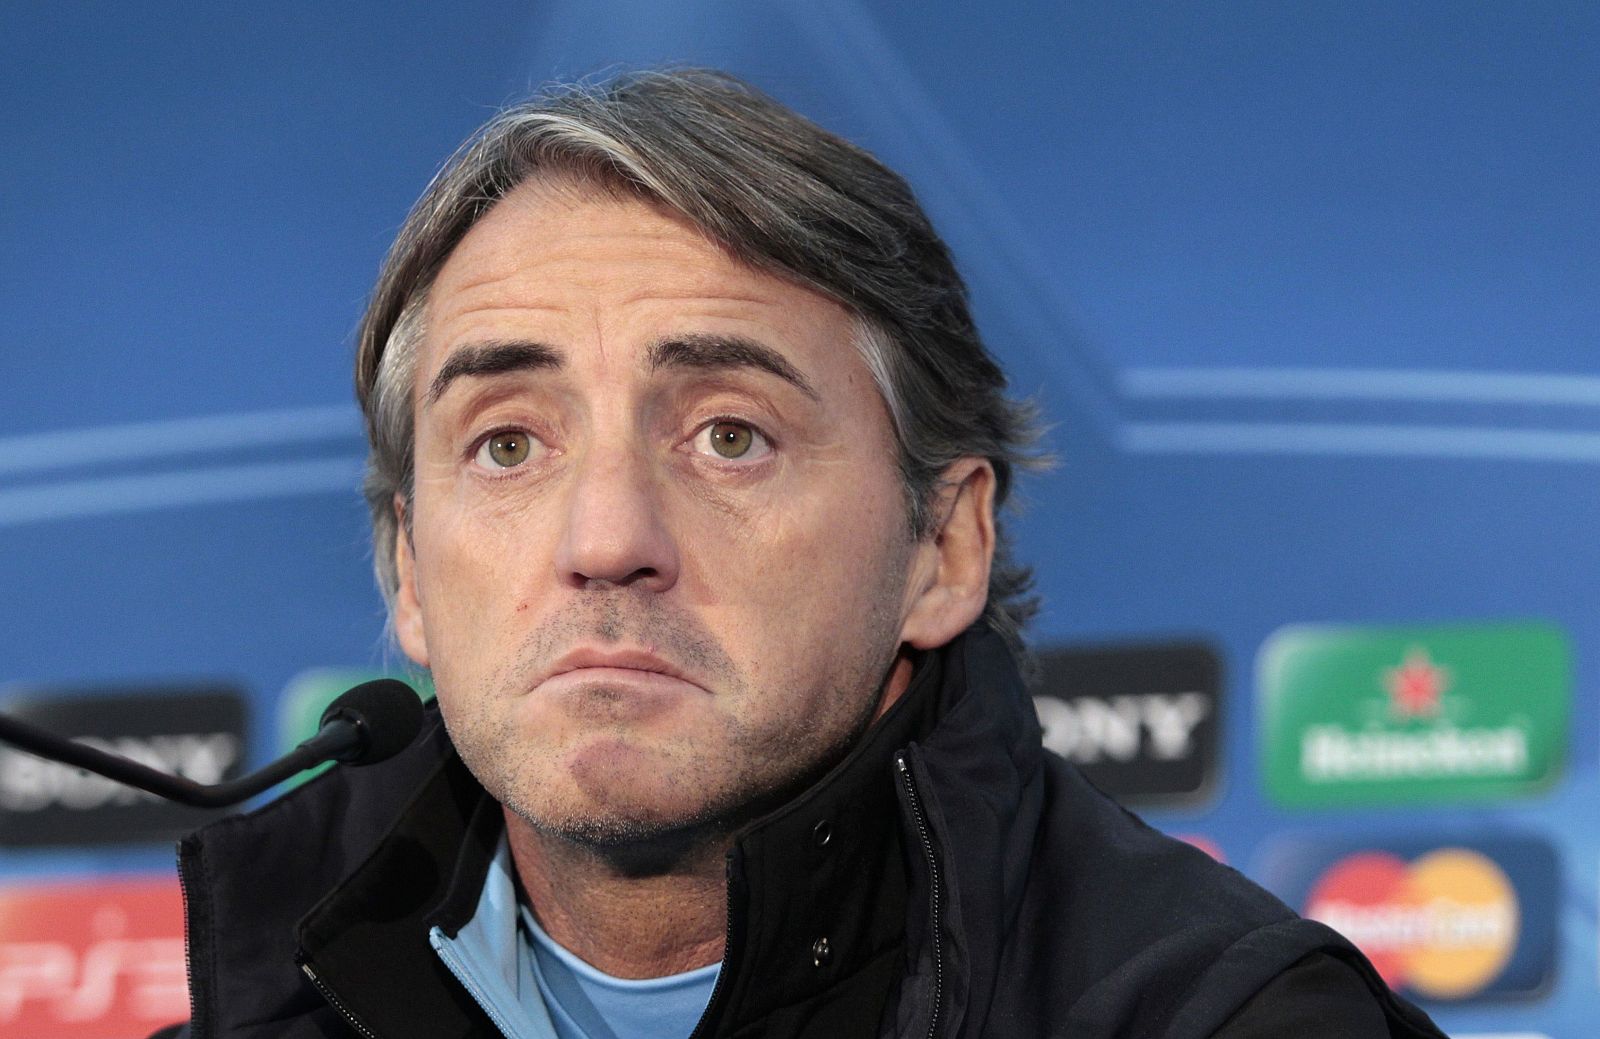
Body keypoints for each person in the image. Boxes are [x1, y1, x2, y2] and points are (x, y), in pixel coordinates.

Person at [156, 69, 1445, 1039]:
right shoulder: (258, 1017)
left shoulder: (1228, 1023)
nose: (607, 542)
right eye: (507, 447)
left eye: (730, 436)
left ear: (943, 545)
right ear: (408, 574)